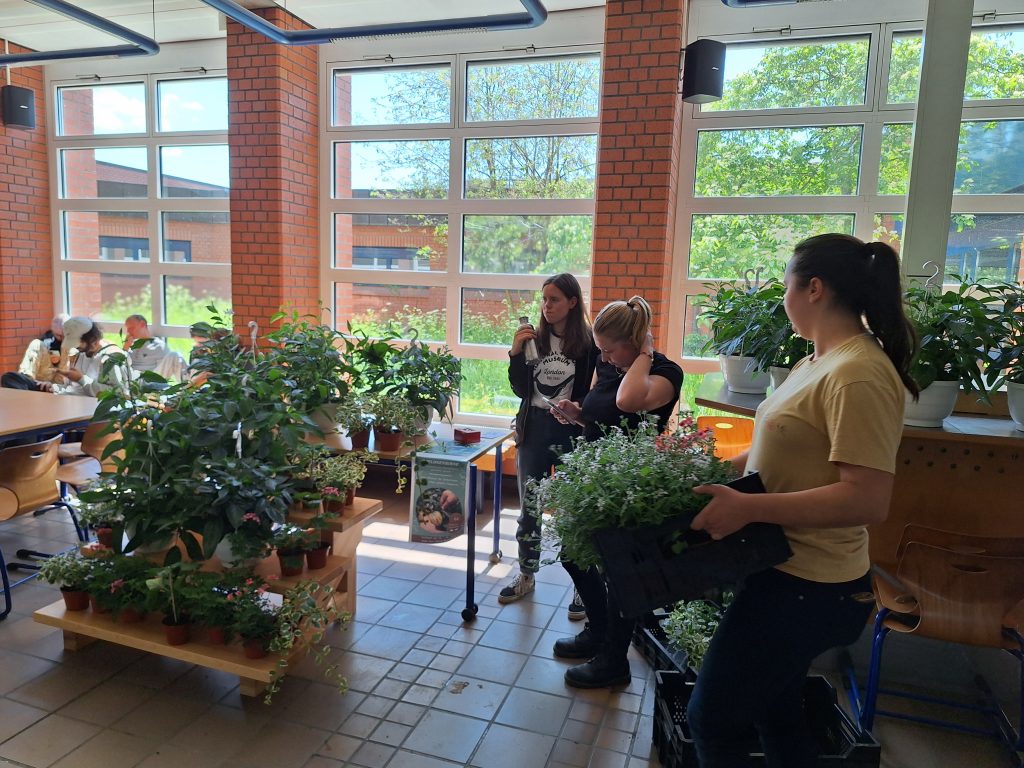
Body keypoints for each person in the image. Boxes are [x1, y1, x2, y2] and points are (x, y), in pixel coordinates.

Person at [685, 233, 918, 767]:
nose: (782, 297)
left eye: (786, 284)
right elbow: (783, 450)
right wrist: (715, 472)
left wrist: (746, 507)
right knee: (777, 711)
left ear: (814, 288)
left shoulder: (857, 372)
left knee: (712, 717)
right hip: (780, 568)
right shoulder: (819, 361)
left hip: (810, 587)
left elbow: (866, 499)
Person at [550, 295, 683, 688]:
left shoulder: (664, 373)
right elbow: (600, 412)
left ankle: (613, 660)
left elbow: (628, 401)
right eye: (600, 349)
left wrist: (644, 354)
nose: (604, 358)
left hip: (628, 487)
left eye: (610, 349)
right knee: (574, 557)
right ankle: (599, 631)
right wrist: (577, 414)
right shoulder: (609, 366)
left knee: (619, 573)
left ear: (635, 342)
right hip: (594, 479)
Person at [500, 274, 598, 614]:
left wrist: (580, 411)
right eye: (544, 299)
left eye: (554, 299)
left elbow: (595, 390)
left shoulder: (589, 344)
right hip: (536, 429)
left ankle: (583, 588)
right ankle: (527, 574)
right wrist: (514, 352)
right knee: (530, 506)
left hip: (572, 428)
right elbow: (521, 389)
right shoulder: (534, 340)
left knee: (575, 510)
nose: (547, 306)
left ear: (573, 302)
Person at [41, 316, 132, 397]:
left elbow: (119, 393)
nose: (76, 347)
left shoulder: (111, 357)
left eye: (78, 343)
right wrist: (55, 388)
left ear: (92, 340)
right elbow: (73, 388)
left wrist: (81, 379)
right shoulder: (80, 354)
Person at [1, 314, 68, 390]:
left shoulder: (75, 344)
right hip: (40, 380)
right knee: (8, 377)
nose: (62, 339)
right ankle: (26, 382)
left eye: (65, 335)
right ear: (53, 331)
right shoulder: (46, 341)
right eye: (59, 335)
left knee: (70, 350)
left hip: (60, 385)